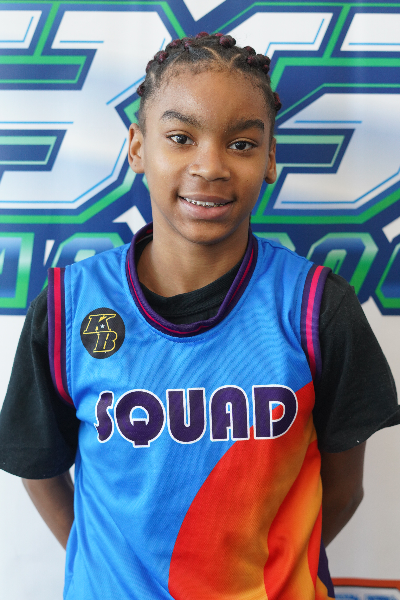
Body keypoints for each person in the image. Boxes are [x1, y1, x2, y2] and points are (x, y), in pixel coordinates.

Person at [0, 32, 399, 600]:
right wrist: (111, 571)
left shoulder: (317, 307)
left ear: (269, 159)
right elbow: (37, 465)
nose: (210, 166)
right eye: (181, 137)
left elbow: (343, 490)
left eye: (241, 143)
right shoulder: (70, 307)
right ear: (138, 147)